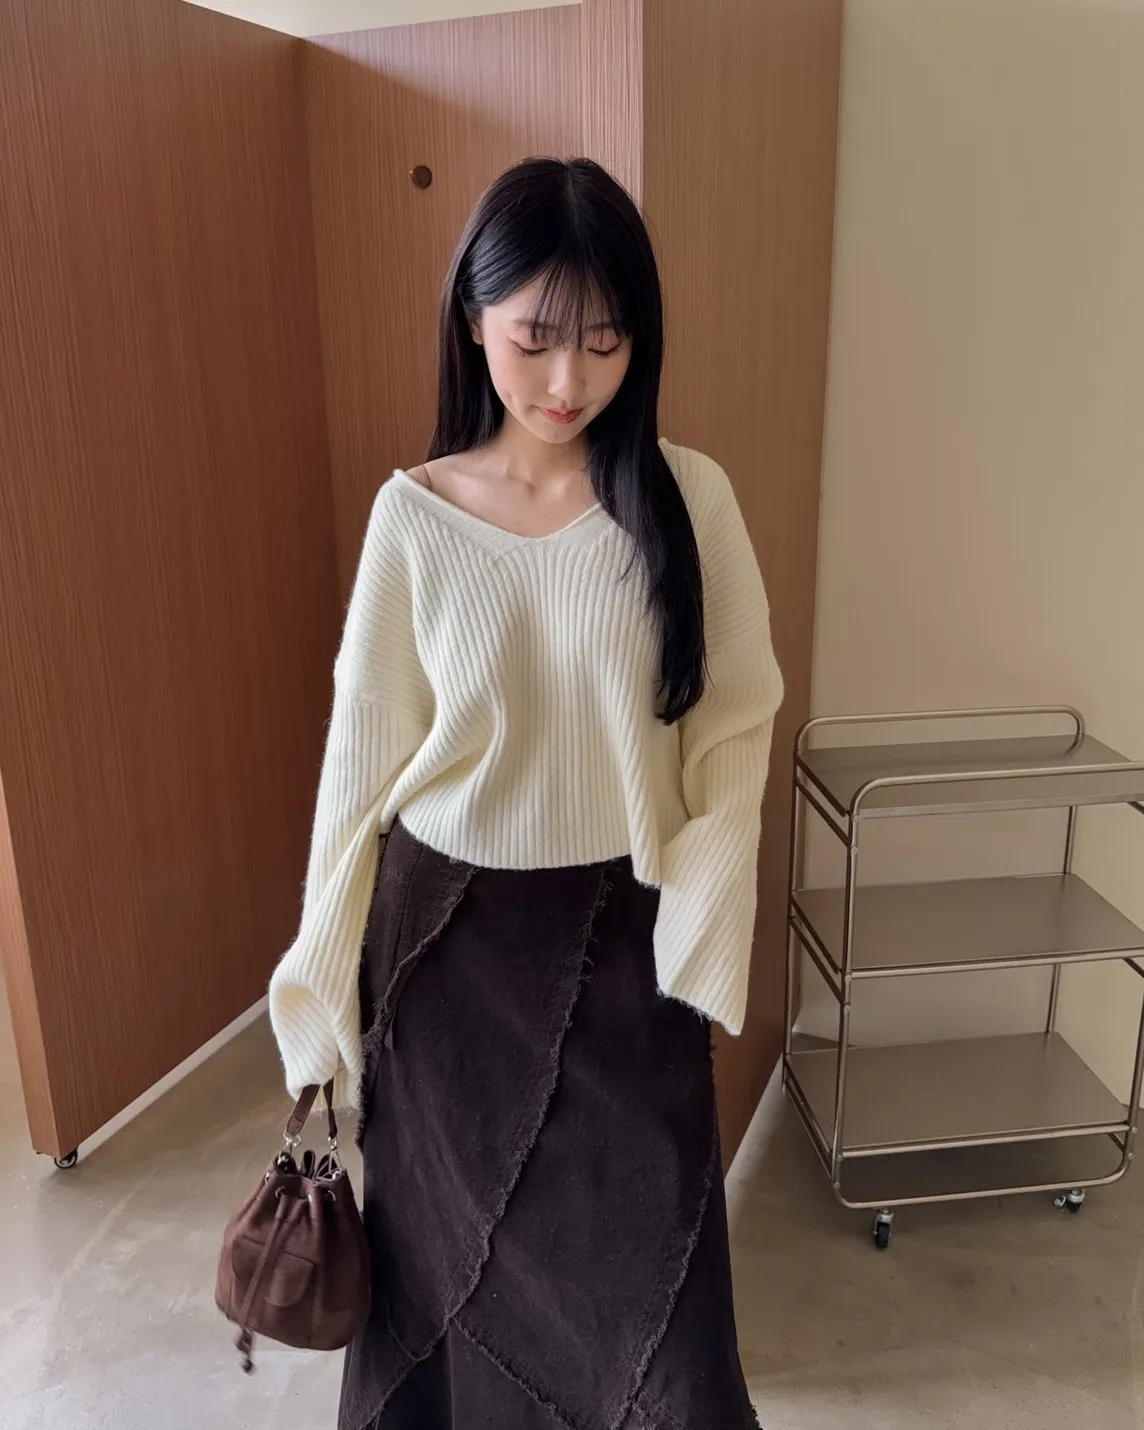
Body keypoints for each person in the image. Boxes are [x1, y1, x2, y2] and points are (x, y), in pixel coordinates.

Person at [268, 156, 782, 1430]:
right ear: (473, 319)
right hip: (442, 956)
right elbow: (358, 770)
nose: (567, 380)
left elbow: (732, 723)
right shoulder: (414, 517)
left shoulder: (687, 496)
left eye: (604, 342)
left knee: (658, 1308)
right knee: (451, 1292)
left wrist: (702, 920)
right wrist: (316, 992)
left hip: (626, 937)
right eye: (535, 337)